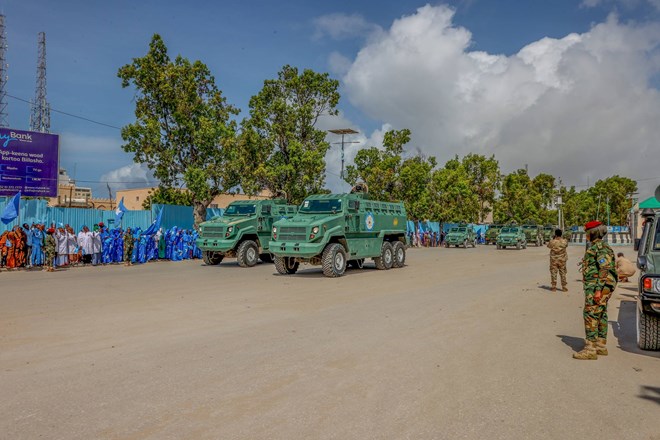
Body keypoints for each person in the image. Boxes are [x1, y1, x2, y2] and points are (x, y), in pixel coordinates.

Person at [573, 221, 618, 360]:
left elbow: (604, 269)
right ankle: (600, 345)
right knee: (601, 314)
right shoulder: (600, 246)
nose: (585, 235)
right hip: (600, 286)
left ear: (592, 233)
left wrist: (598, 290)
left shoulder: (600, 248)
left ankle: (590, 349)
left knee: (590, 314)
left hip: (597, 287)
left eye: (587, 232)